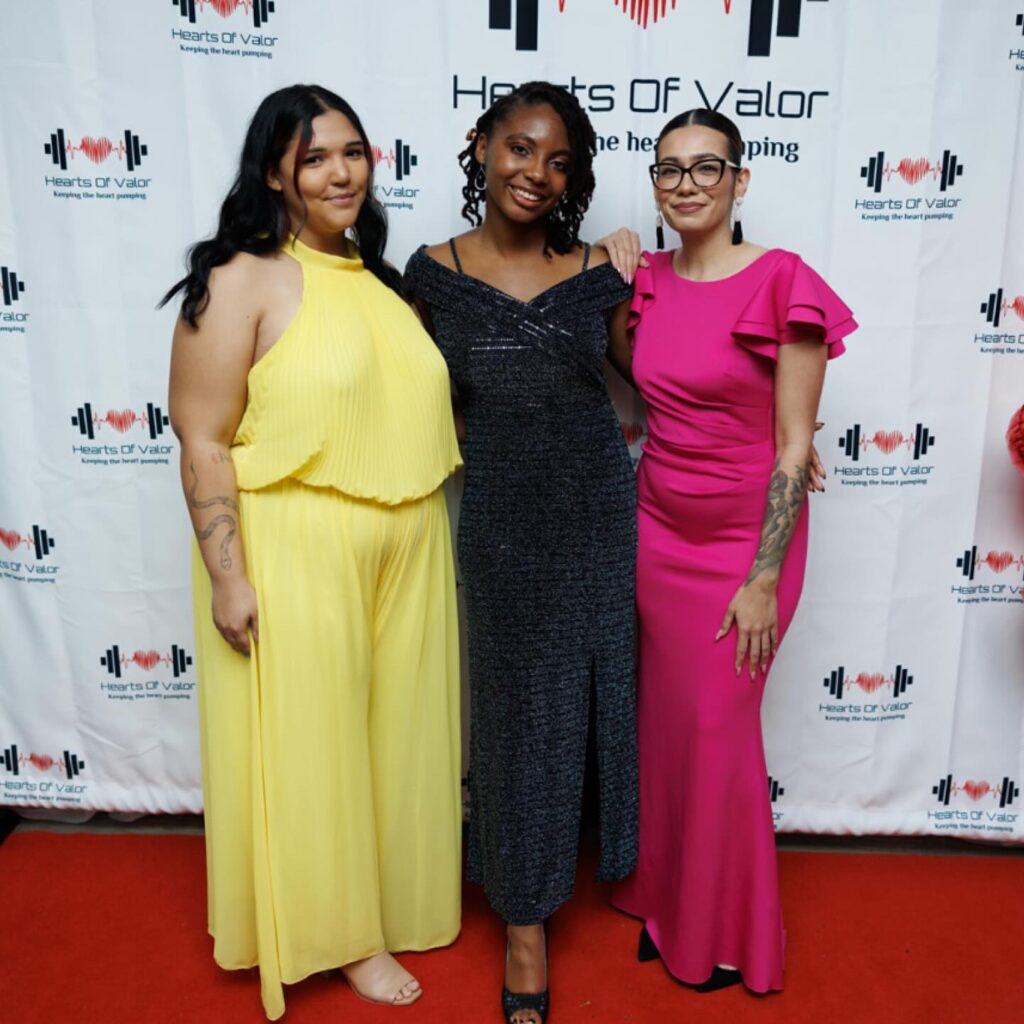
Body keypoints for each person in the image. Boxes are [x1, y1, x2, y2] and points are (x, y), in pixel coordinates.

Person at [164, 84, 462, 1019]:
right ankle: (343, 937)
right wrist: (228, 576)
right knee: (315, 746)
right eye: (315, 157)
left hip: (411, 536)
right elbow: (203, 436)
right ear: (274, 174)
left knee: (399, 739)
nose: (341, 173)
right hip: (297, 540)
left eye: (353, 153)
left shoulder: (382, 282)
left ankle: (390, 903)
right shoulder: (241, 278)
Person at [403, 82, 637, 1024]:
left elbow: (665, 377)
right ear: (481, 145)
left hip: (596, 515)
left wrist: (780, 431)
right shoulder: (431, 274)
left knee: (590, 706)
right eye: (520, 148)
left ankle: (594, 872)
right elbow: (402, 394)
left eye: (559, 161)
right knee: (512, 722)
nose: (536, 172)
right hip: (500, 522)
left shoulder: (600, 271)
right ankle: (525, 922)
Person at [609, 108, 857, 994]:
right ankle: (661, 894)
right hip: (656, 532)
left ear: (740, 180)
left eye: (706, 167)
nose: (686, 184)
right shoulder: (642, 279)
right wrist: (609, 252)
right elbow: (647, 374)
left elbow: (792, 446)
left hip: (745, 548)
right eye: (669, 169)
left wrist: (762, 580)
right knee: (668, 724)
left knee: (718, 730)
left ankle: (723, 933)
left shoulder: (784, 281)